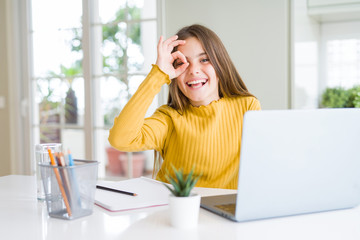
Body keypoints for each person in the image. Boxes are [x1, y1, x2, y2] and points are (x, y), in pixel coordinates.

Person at [108, 24, 261, 189]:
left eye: (204, 59)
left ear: (220, 64)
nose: (194, 70)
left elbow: (261, 166)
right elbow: (120, 139)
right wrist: (158, 75)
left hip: (223, 212)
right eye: (182, 62)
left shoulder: (247, 107)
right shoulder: (169, 118)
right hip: (174, 209)